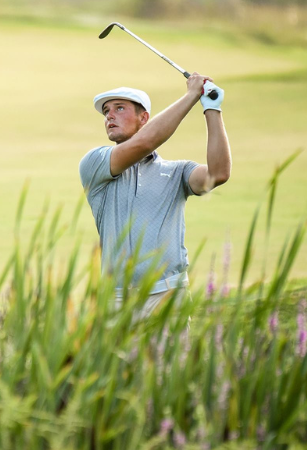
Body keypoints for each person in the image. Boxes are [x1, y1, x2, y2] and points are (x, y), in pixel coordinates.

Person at [79, 73, 231, 318]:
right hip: (117, 300)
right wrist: (192, 95)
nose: (109, 115)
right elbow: (144, 143)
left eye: (119, 108)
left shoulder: (176, 172)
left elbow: (219, 173)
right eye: (107, 111)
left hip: (169, 297)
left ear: (144, 118)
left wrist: (212, 108)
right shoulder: (95, 163)